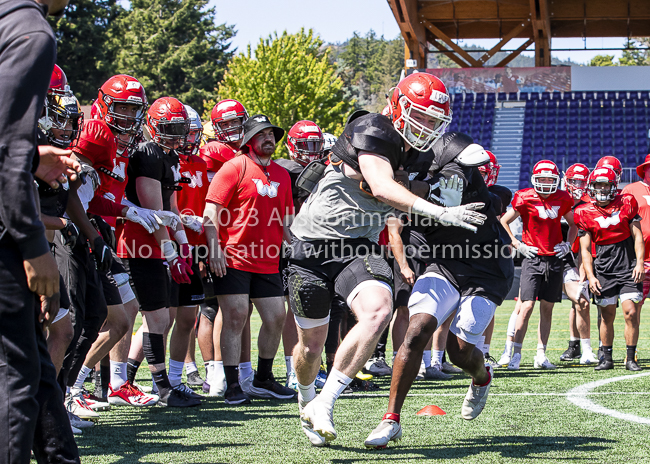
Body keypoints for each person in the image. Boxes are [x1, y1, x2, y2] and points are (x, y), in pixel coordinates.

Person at [288, 72, 486, 447]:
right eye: (421, 116)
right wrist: (441, 211)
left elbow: (433, 176)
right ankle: (305, 394)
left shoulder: (421, 151)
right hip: (311, 245)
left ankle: (325, 401)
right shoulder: (373, 128)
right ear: (398, 107)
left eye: (434, 120)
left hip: (358, 245)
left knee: (378, 311)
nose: (426, 127)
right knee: (309, 348)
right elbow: (381, 185)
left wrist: (455, 176)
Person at [365, 136, 513, 448]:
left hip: (485, 266)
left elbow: (440, 190)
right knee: (417, 331)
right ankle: (391, 419)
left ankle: (481, 375)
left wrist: (400, 185)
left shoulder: (451, 152)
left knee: (458, 351)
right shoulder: (390, 158)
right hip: (443, 261)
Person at [0, 0, 85, 460]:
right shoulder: (29, 29)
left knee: (32, 368)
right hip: (7, 234)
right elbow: (6, 151)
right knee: (14, 376)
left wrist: (34, 158)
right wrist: (35, 249)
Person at [203, 114, 297, 405]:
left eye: (271, 134)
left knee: (276, 317)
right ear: (248, 140)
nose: (268, 138)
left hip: (268, 259)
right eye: (261, 134)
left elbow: (287, 220)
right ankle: (232, 385)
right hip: (232, 257)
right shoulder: (233, 167)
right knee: (235, 317)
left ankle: (263, 379)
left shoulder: (281, 174)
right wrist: (214, 250)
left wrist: (295, 246)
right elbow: (210, 214)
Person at [117, 97, 200, 407]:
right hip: (139, 245)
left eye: (178, 129)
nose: (174, 135)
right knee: (155, 319)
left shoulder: (167, 156)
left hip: (154, 247)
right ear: (152, 126)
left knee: (159, 318)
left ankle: (129, 379)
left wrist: (184, 243)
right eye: (167, 128)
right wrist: (171, 252)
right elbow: (154, 212)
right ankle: (161, 388)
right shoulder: (147, 154)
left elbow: (171, 206)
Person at [197, 99, 253, 398]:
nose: (233, 129)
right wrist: (210, 245)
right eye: (226, 124)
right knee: (212, 308)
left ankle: (240, 370)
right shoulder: (214, 153)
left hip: (237, 241)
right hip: (211, 237)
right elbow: (209, 203)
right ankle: (214, 371)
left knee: (238, 310)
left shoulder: (243, 154)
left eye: (237, 122)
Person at [499, 160, 576, 370]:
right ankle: (516, 354)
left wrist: (568, 244)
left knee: (548, 308)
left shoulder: (563, 197)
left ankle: (541, 354)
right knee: (526, 306)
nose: (545, 183)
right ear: (534, 179)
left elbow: (573, 224)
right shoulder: (525, 197)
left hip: (555, 258)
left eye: (549, 179)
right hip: (532, 257)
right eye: (541, 179)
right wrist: (517, 244)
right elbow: (503, 221)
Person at [575, 167, 644, 371]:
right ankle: (607, 357)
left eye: (606, 184)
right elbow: (585, 250)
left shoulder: (627, 202)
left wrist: (639, 262)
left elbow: (638, 236)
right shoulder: (583, 211)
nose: (602, 188)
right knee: (606, 315)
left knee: (630, 312)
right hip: (603, 267)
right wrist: (590, 275)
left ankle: (630, 358)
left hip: (627, 264)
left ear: (614, 186)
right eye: (598, 184)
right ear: (592, 187)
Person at [276, 120, 326, 388]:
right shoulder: (287, 168)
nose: (310, 151)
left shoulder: (319, 170)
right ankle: (291, 370)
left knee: (315, 308)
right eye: (305, 145)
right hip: (292, 243)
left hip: (315, 243)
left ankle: (313, 366)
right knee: (291, 308)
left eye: (315, 145)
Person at [557, 163, 596, 364]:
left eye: (581, 181)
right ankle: (575, 345)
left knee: (598, 304)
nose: (578, 185)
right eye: (574, 181)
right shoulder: (561, 200)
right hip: (567, 258)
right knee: (579, 301)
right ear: (566, 180)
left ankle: (600, 347)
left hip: (592, 257)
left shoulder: (592, 202)